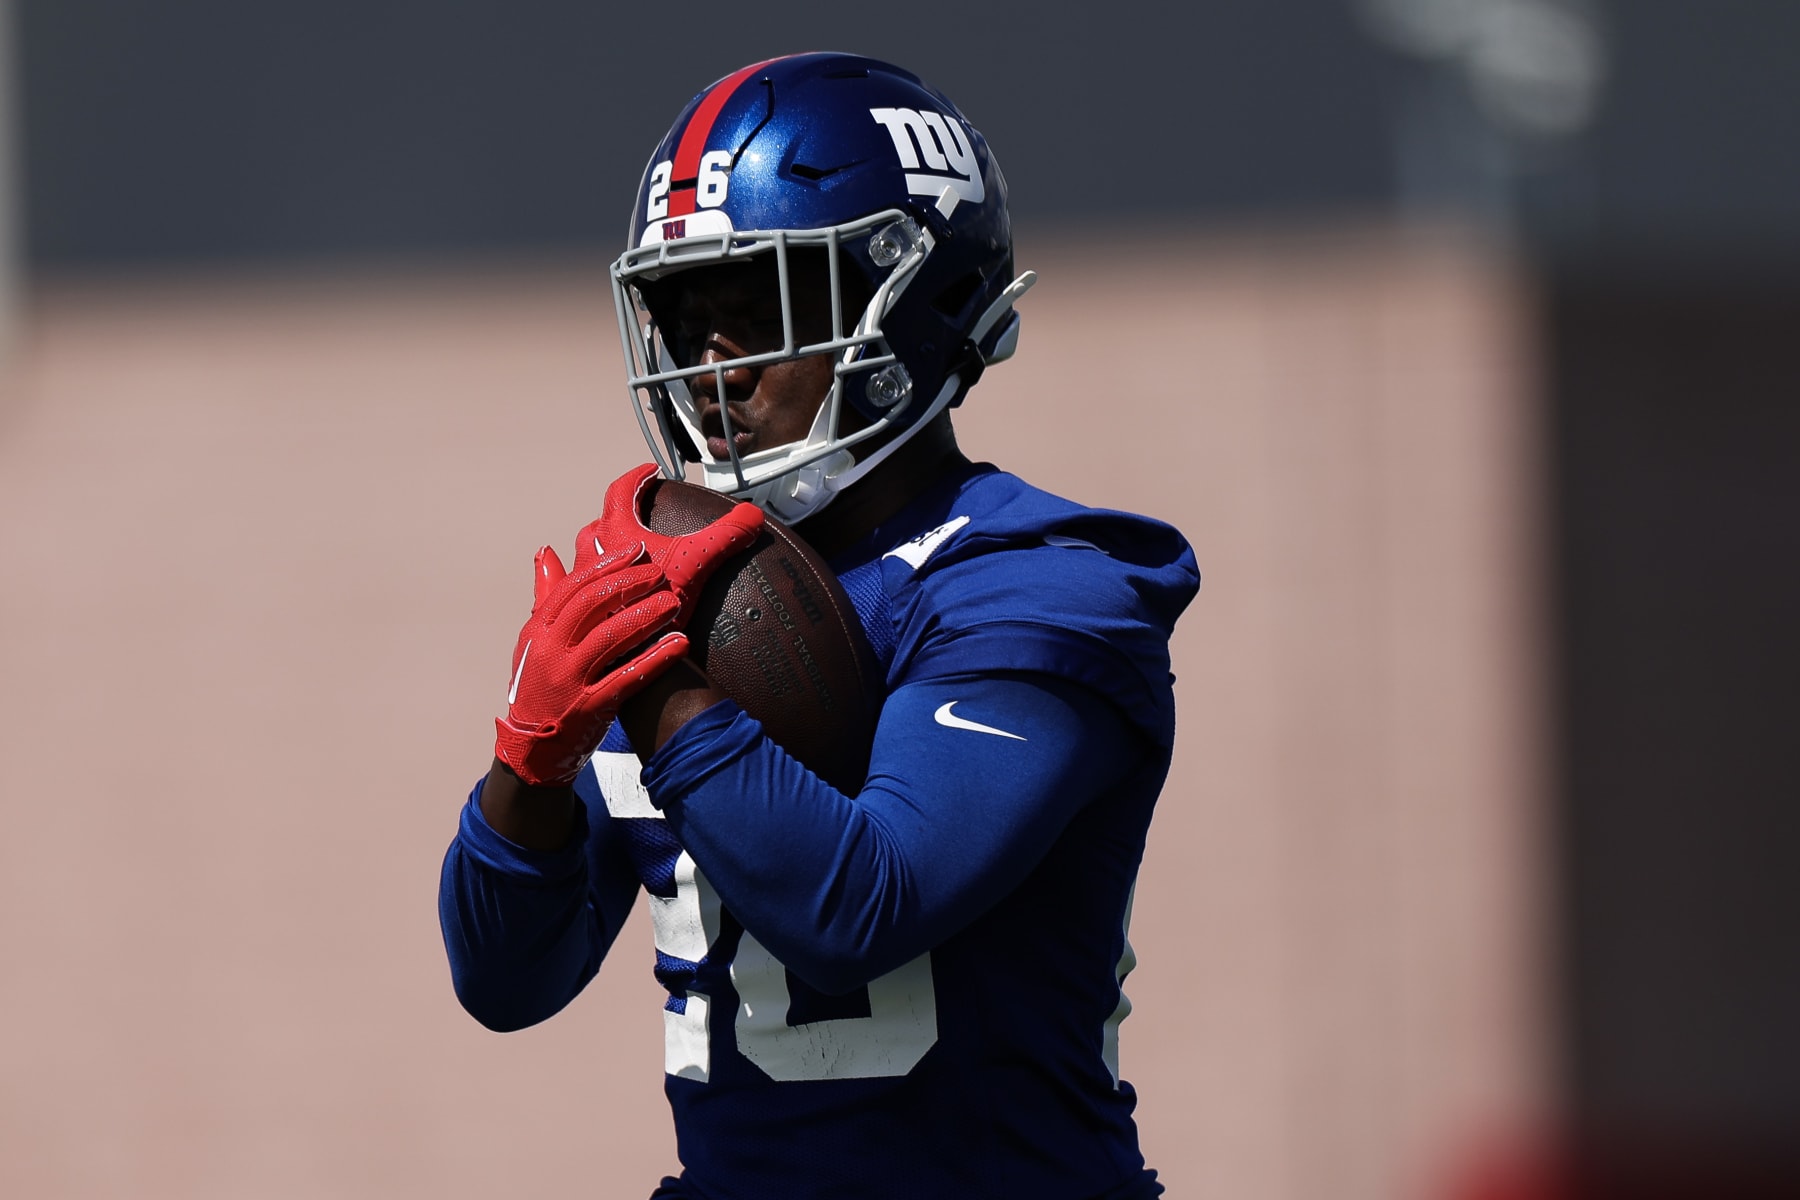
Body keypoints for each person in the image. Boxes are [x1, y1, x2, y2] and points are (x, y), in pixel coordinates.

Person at [439, 53, 1200, 1200]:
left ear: (915, 304)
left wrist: (656, 680)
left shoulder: (1043, 584)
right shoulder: (695, 586)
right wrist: (526, 762)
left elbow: (862, 903)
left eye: (756, 311)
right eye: (683, 319)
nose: (710, 371)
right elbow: (505, 980)